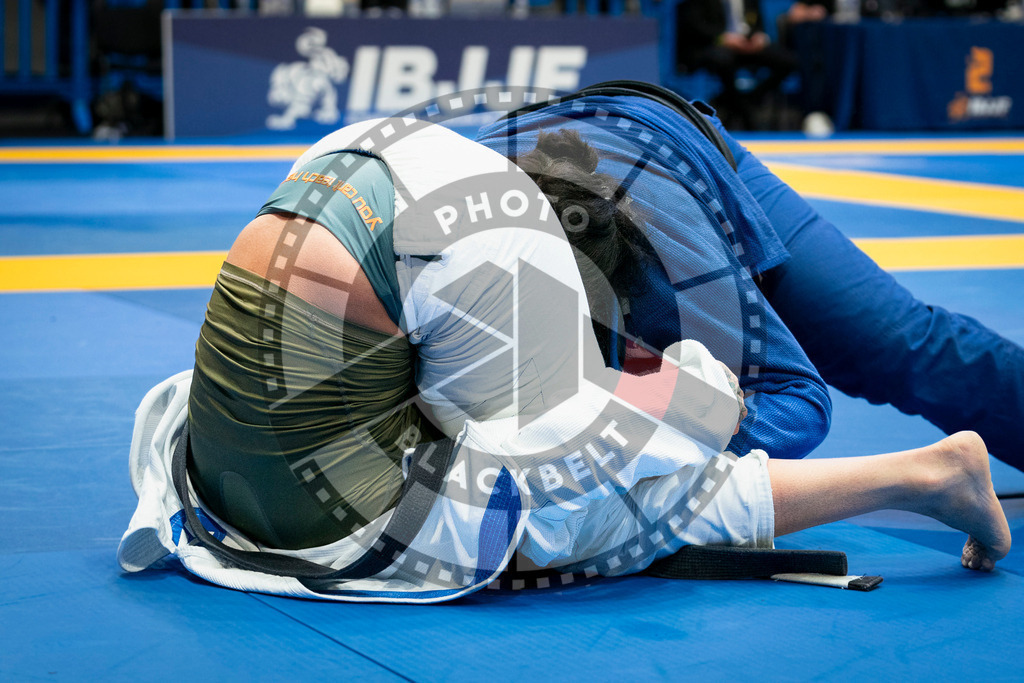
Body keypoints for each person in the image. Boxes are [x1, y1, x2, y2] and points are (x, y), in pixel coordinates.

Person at [118, 115, 1009, 605]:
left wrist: (684, 404)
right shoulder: (516, 248)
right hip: (313, 491)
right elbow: (518, 464)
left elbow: (797, 402)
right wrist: (673, 403)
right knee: (581, 509)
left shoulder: (459, 160)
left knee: (890, 349)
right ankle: (923, 470)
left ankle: (908, 461)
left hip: (221, 456)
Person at [476, 81, 1024, 476]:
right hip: (541, 149)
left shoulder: (668, 261)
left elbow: (798, 401)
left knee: (891, 344)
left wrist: (691, 425)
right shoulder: (437, 256)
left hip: (680, 151)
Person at [674, 0, 800, 129]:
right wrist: (723, 38)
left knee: (787, 61)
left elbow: (757, 24)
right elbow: (694, 26)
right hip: (714, 45)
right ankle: (744, 111)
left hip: (747, 45)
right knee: (722, 60)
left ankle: (746, 100)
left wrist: (759, 36)